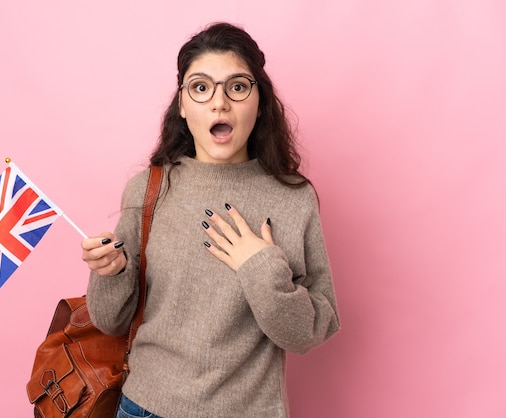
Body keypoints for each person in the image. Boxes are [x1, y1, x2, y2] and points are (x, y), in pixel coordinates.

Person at [81, 21, 340, 418]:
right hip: (145, 407)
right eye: (201, 88)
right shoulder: (149, 189)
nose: (219, 103)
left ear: (260, 100)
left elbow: (306, 334)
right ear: (182, 105)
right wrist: (112, 273)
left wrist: (260, 267)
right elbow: (110, 321)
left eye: (237, 87)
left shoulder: (293, 199)